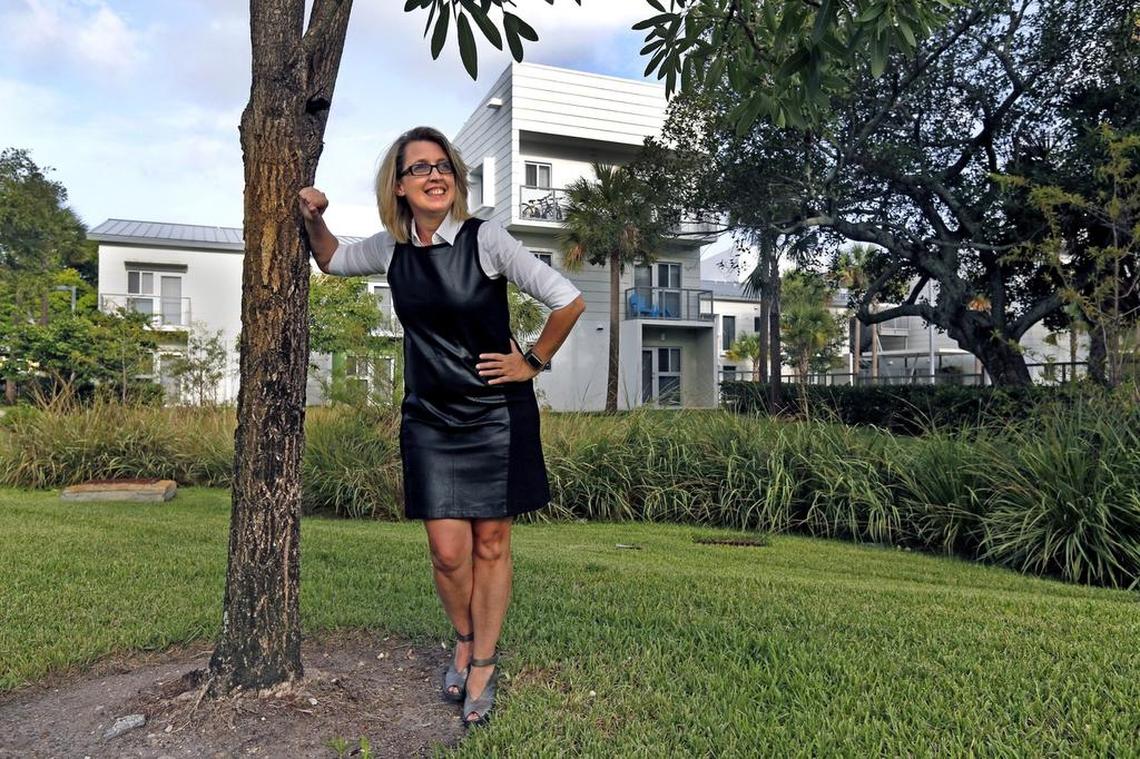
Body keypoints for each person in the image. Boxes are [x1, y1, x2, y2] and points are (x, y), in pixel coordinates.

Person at [299, 126, 585, 727]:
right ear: (399, 186)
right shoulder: (390, 247)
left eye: (443, 166)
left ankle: (482, 660)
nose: (435, 175)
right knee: (448, 553)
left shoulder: (487, 239)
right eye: (420, 167)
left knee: (491, 542)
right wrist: (315, 218)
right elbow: (330, 258)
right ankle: (463, 635)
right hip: (430, 418)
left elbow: (568, 300)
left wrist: (532, 361)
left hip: (497, 414)